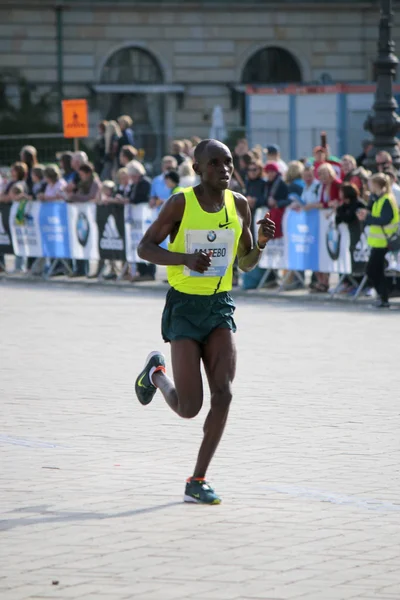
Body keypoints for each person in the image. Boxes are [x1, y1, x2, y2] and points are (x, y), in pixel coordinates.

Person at [134, 139, 275, 504]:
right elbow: (144, 247)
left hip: (218, 307)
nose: (224, 169)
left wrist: (259, 243)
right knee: (188, 407)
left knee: (224, 393)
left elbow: (244, 263)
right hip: (183, 308)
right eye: (215, 163)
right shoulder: (181, 201)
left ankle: (197, 479)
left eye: (228, 162)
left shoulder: (239, 204)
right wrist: (184, 258)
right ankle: (156, 375)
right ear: (197, 169)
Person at [357, 173, 399, 307]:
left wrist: (367, 218)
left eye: (371, 184)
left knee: (372, 270)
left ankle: (384, 296)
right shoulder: (377, 199)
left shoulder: (386, 199)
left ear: (377, 185)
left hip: (385, 241)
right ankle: (383, 297)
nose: (369, 186)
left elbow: (384, 219)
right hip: (379, 242)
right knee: (376, 270)